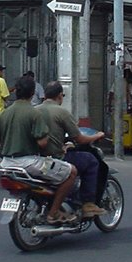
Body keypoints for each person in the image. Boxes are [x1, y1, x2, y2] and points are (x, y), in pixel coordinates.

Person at [0, 75, 78, 225]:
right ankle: (53, 212)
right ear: (32, 93)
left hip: (6, 164)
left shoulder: (5, 113)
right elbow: (42, 143)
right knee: (71, 172)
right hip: (29, 163)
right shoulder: (33, 113)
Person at [36, 81, 107, 217]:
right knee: (91, 161)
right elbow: (79, 139)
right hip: (55, 158)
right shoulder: (62, 112)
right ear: (60, 96)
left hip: (38, 159)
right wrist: (96, 136)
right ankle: (88, 203)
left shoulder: (35, 110)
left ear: (44, 96)